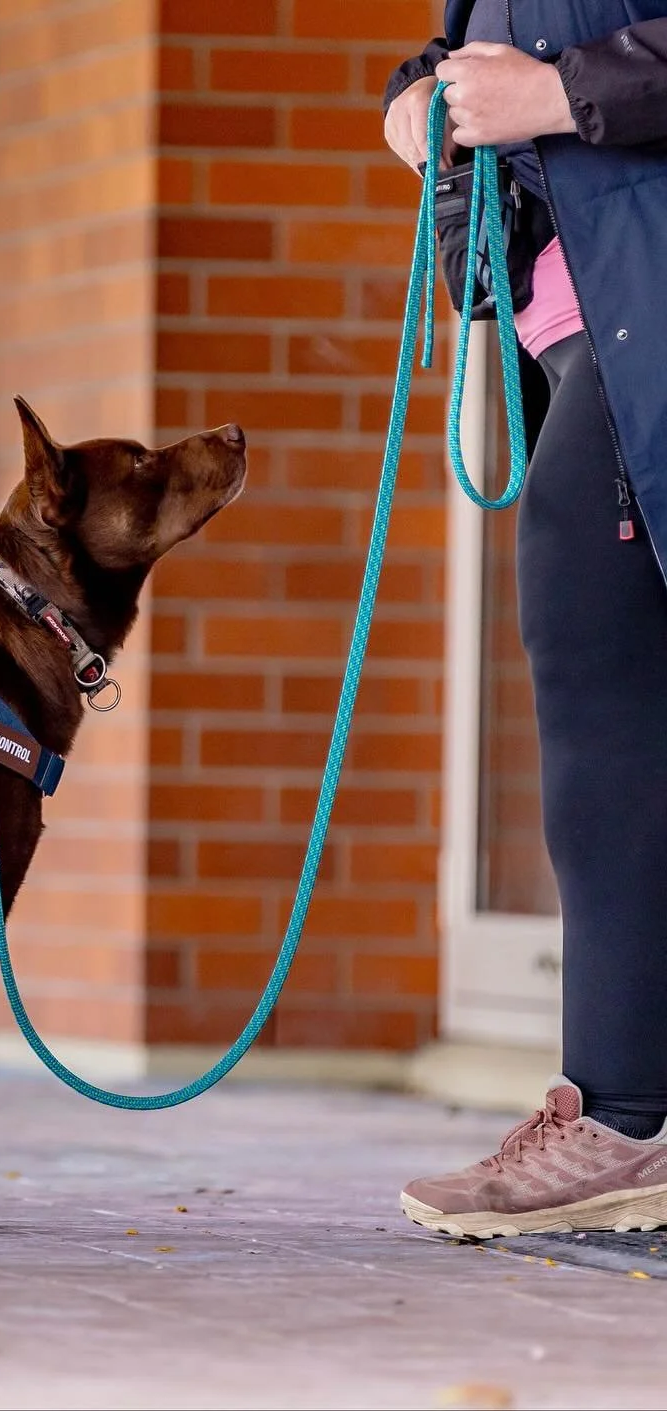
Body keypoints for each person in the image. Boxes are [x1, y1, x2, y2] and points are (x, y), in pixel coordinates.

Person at [381, 4, 667, 1237]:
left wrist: (560, 95)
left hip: (646, 298)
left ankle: (624, 1113)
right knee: (609, 693)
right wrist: (422, 97)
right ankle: (628, 1109)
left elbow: (564, 54)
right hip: (590, 308)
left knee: (600, 687)